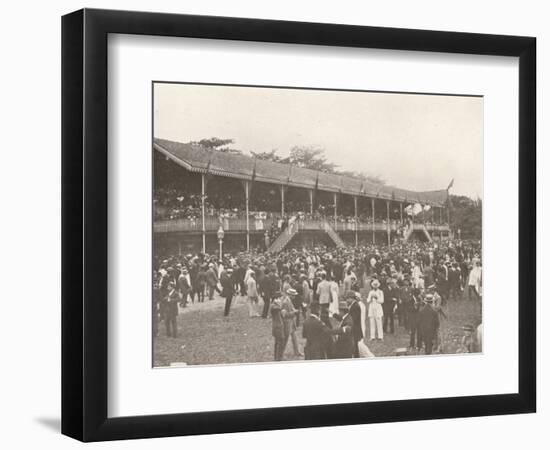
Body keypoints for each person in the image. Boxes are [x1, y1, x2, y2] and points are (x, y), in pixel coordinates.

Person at [282, 288, 302, 357]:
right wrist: (294, 312)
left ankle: (297, 352)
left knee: (294, 338)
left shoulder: (289, 300)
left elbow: (292, 309)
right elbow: (284, 315)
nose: (295, 297)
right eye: (293, 295)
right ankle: (281, 353)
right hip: (287, 323)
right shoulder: (285, 302)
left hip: (291, 322)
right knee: (285, 339)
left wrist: (295, 311)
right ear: (290, 295)